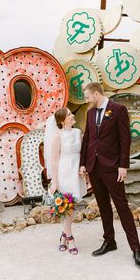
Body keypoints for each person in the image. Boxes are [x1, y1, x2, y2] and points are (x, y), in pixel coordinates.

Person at [79, 83, 140, 268]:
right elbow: (88, 139)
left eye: (87, 97)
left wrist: (123, 166)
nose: (86, 100)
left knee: (122, 206)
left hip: (113, 167)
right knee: (103, 206)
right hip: (94, 167)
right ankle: (110, 241)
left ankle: (136, 249)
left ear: (97, 94)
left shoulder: (118, 110)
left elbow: (125, 139)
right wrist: (83, 163)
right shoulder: (90, 113)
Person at [44, 107, 87, 255]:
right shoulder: (57, 136)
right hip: (64, 173)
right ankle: (70, 238)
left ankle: (63, 235)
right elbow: (54, 161)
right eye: (69, 114)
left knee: (72, 206)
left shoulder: (77, 133)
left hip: (76, 173)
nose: (73, 115)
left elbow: (82, 154)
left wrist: (83, 168)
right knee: (67, 206)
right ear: (62, 120)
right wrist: (55, 182)